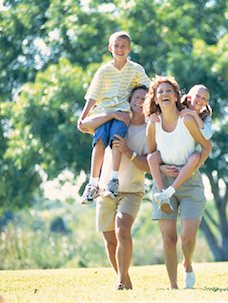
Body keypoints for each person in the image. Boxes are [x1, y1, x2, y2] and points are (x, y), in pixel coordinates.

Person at [144, 76, 212, 289]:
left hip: (190, 183)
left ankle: (188, 264)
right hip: (163, 183)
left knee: (187, 238)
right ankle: (173, 287)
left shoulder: (188, 119)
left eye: (168, 91)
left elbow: (206, 146)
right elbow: (151, 153)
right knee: (168, 239)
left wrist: (193, 166)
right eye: (160, 92)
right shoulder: (153, 124)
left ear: (176, 96)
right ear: (155, 98)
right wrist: (162, 167)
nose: (164, 94)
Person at [77, 31, 150, 204]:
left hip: (123, 112)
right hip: (103, 112)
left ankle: (113, 180)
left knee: (117, 139)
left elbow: (150, 89)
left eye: (123, 46)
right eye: (116, 46)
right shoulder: (104, 71)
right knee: (100, 141)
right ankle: (93, 183)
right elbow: (93, 96)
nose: (120, 49)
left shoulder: (135, 69)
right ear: (110, 48)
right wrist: (83, 116)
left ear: (129, 48)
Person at [95, 85, 150, 290]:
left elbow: (149, 166)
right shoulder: (116, 123)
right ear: (130, 99)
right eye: (137, 97)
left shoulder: (149, 130)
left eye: (145, 98)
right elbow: (84, 126)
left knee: (122, 231)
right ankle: (124, 279)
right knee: (110, 240)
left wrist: (128, 152)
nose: (140, 101)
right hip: (105, 189)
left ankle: (120, 281)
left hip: (132, 191)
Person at [147, 84, 212, 214]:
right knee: (152, 157)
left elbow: (207, 136)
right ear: (188, 97)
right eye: (197, 96)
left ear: (207, 103)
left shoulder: (204, 116)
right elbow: (165, 114)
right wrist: (151, 117)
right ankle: (161, 193)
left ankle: (169, 192)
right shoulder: (179, 110)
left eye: (204, 98)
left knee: (194, 157)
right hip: (173, 153)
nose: (200, 99)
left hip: (192, 158)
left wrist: (193, 114)